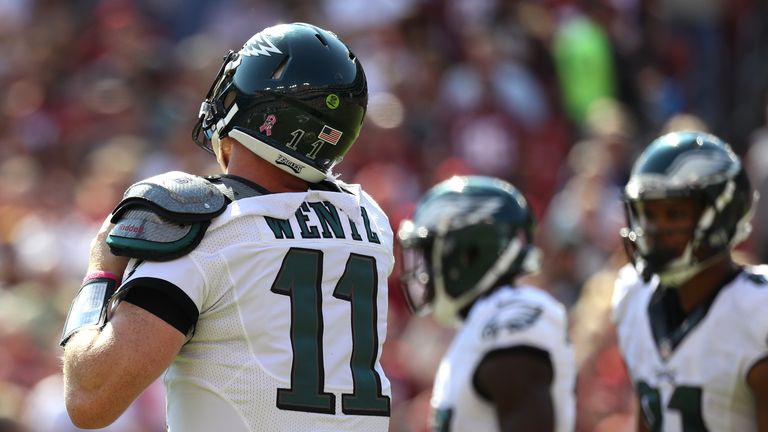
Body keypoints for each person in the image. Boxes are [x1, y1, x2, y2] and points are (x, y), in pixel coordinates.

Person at [61, 22, 394, 432]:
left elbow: (90, 399)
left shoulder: (210, 229)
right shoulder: (371, 223)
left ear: (257, 109)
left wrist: (101, 269)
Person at [613, 130, 768, 431]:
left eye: (673, 214)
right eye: (648, 214)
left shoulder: (756, 312)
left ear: (722, 215)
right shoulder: (633, 297)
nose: (655, 229)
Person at [397, 175, 576, 432]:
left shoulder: (512, 318)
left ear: (469, 255)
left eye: (429, 255)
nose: (421, 272)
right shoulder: (478, 324)